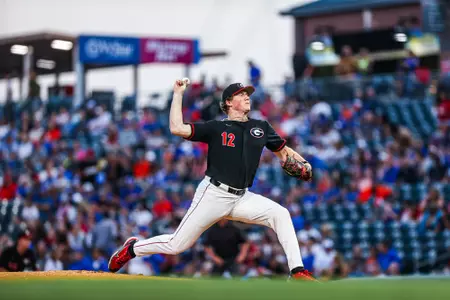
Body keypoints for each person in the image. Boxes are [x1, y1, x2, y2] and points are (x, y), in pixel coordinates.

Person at [108, 79, 316, 281]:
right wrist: (178, 94)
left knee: (281, 214)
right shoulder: (216, 128)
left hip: (242, 197)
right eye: (241, 94)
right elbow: (177, 128)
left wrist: (304, 163)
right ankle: (133, 248)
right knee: (177, 245)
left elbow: (283, 152)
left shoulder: (261, 127)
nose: (246, 97)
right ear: (227, 102)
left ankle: (297, 271)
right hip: (214, 194)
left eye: (247, 94)